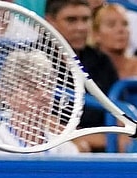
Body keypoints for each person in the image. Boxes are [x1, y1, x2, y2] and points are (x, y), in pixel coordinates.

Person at [0, 50, 80, 160]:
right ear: (9, 95)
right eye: (31, 88)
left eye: (49, 86)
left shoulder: (67, 150)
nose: (44, 95)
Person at [45, 0, 119, 152]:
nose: (81, 27)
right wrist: (75, 140)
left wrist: (81, 137)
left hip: (101, 147)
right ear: (50, 22)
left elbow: (119, 117)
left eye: (85, 20)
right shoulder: (31, 57)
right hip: (52, 149)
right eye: (71, 20)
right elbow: (36, 119)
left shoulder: (102, 61)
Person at [91, 2, 137, 78]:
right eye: (111, 25)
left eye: (125, 24)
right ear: (96, 34)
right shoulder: (88, 70)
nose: (120, 29)